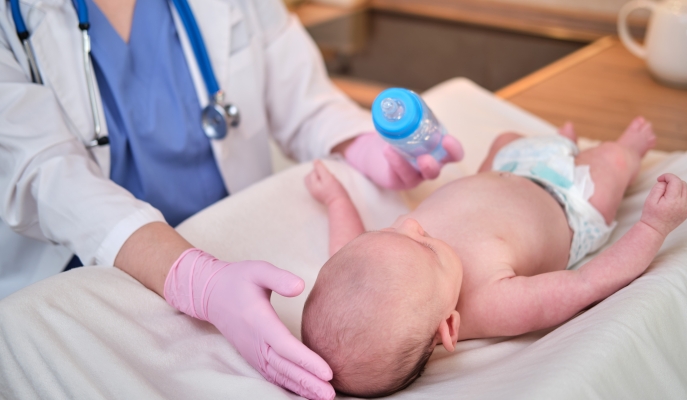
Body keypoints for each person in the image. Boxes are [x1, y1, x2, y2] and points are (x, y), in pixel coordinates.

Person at [0, 0, 464, 399]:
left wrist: (358, 144)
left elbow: (303, 101)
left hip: (235, 246)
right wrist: (193, 279)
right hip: (86, 270)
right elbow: (45, 174)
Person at [301, 117, 687, 397]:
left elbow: (345, 247)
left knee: (506, 136)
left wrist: (336, 199)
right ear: (449, 328)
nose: (409, 224)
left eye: (388, 230)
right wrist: (653, 228)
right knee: (613, 164)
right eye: (426, 245)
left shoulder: (383, 267)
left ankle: (561, 142)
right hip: (571, 199)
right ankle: (628, 147)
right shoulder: (492, 304)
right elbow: (586, 284)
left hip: (507, 167)